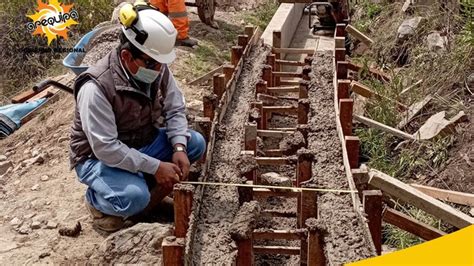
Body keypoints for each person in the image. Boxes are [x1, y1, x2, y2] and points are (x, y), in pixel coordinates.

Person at [69, 7, 206, 232]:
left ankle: (149, 200)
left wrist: (179, 146)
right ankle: (97, 202)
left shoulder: (155, 68)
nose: (159, 69)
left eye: (161, 63)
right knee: (133, 197)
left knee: (195, 144)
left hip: (140, 142)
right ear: (126, 55)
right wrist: (156, 166)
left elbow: (175, 108)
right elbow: (105, 148)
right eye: (152, 63)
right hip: (96, 158)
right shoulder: (96, 87)